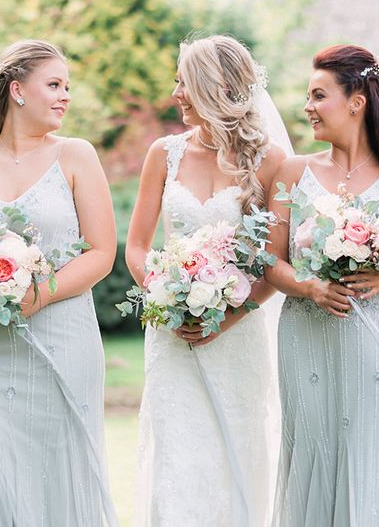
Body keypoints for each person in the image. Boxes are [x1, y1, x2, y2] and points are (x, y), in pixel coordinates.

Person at [0, 39, 118, 526]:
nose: (65, 96)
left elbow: (102, 252)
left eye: (67, 86)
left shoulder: (76, 156)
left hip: (62, 340)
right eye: (54, 84)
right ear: (17, 91)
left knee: (59, 481)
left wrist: (36, 294)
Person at [265, 44, 379, 526]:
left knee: (372, 450)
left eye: (319, 95)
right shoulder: (292, 173)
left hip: (376, 337)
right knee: (313, 447)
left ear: (356, 100)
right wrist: (308, 288)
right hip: (306, 333)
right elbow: (268, 261)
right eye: (308, 96)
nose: (307, 107)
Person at [126, 35, 286, 526]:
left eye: (183, 82)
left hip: (237, 339)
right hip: (171, 337)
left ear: (215, 88)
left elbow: (272, 263)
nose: (175, 93)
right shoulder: (164, 154)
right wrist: (165, 296)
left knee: (237, 456)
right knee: (176, 459)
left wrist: (227, 317)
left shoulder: (270, 161)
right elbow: (136, 246)